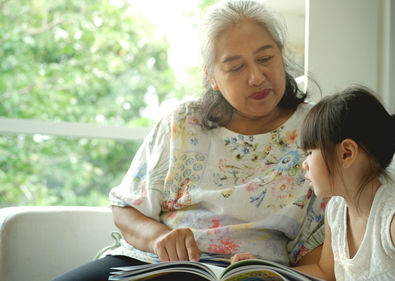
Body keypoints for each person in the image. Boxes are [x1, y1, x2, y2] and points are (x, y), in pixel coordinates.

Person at [51, 1, 325, 280]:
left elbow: (321, 251)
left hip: (250, 274)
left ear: (281, 54)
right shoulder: (182, 122)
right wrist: (160, 239)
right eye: (236, 67)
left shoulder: (318, 129)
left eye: (265, 59)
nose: (256, 77)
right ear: (212, 77)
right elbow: (126, 209)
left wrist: (272, 272)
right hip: (151, 264)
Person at [293, 86, 395, 280]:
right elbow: (326, 272)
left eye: (310, 153)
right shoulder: (335, 211)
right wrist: (267, 273)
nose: (305, 164)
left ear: (346, 153)